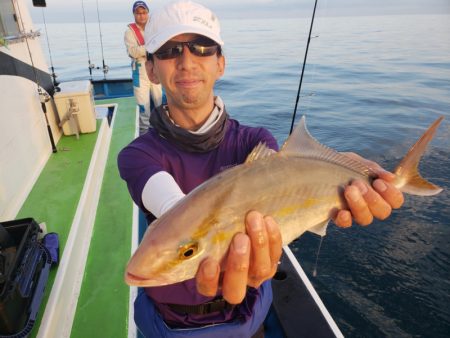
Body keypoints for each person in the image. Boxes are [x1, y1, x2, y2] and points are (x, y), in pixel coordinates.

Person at [118, 1, 404, 337]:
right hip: (171, 326)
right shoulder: (137, 154)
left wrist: (352, 173)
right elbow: (171, 205)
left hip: (249, 318)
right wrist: (190, 242)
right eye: (169, 51)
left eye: (202, 48)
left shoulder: (254, 142)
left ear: (220, 63)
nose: (186, 61)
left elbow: (289, 188)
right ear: (150, 69)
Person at [124, 0, 163, 134]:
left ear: (148, 13)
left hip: (156, 71)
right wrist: (150, 46)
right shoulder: (130, 32)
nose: (141, 15)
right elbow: (132, 52)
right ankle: (144, 138)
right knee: (143, 109)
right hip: (140, 74)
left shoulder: (154, 28)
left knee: (160, 104)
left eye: (144, 12)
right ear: (134, 14)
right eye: (138, 13)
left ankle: (162, 133)